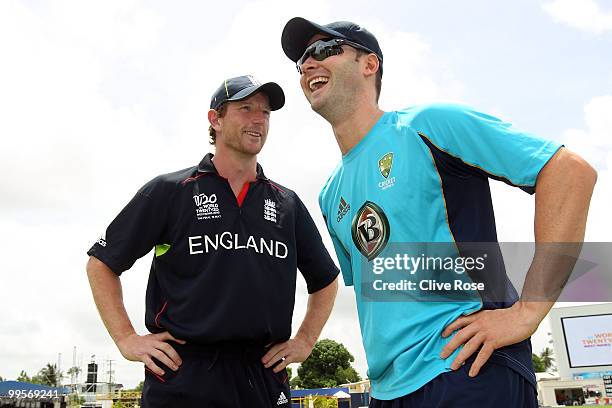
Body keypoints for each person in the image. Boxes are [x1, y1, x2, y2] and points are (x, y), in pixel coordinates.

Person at [281, 18, 597, 407]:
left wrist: (529, 310)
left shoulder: (427, 124)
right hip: (388, 390)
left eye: (325, 50)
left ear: (369, 65)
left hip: (469, 367)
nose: (309, 64)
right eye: (302, 61)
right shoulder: (331, 194)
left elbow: (568, 172)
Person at [86, 75, 339, 408]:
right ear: (215, 119)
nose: (258, 119)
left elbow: (326, 280)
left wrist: (305, 340)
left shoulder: (286, 203)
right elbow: (102, 263)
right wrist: (126, 338)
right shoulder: (170, 190)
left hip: (262, 373)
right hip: (184, 372)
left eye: (265, 112)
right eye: (246, 108)